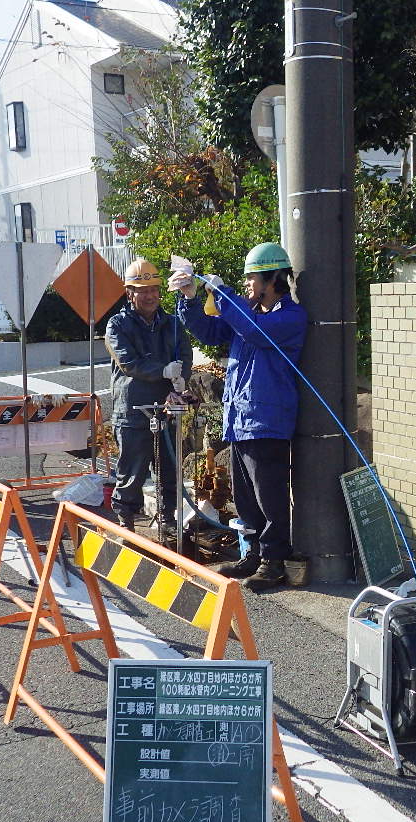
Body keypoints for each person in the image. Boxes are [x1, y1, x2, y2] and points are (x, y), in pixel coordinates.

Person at [169, 242, 307, 591]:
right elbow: (210, 331)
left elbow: (254, 331)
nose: (247, 285)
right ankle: (253, 554)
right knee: (245, 498)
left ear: (273, 277)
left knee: (270, 497)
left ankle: (274, 562)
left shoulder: (288, 317)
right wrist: (189, 297)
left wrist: (224, 294)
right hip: (241, 419)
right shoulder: (247, 316)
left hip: (267, 421)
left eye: (251, 279)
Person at [105, 258, 192, 543]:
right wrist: (163, 371)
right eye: (144, 291)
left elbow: (184, 355)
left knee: (168, 470)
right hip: (132, 409)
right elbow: (129, 362)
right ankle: (125, 522)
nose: (151, 295)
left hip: (166, 408)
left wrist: (180, 380)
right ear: (130, 293)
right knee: (132, 470)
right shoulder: (117, 325)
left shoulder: (172, 324)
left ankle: (167, 523)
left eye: (154, 289)